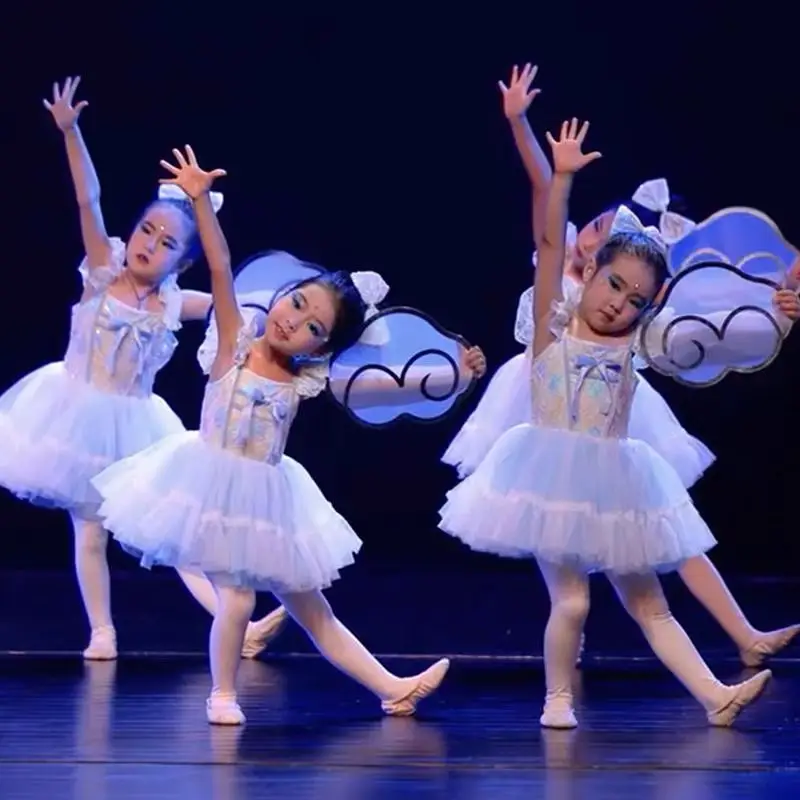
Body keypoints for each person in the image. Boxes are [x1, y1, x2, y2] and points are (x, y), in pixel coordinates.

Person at [93, 145, 486, 724]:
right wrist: (201, 203)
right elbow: (222, 269)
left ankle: (391, 686)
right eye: (296, 304)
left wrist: (452, 374)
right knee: (238, 596)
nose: (292, 321)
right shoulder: (233, 342)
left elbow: (384, 386)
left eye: (312, 326)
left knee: (313, 609)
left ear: (322, 345)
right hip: (210, 483)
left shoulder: (307, 380)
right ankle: (222, 693)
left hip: (269, 501)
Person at [443, 64, 800, 667]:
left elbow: (713, 319)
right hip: (544, 401)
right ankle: (569, 630)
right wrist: (523, 127)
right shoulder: (560, 286)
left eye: (612, 231)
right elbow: (545, 206)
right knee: (553, 517)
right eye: (601, 225)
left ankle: (741, 635)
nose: (596, 234)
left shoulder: (630, 309)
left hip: (611, 412)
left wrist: (780, 309)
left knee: (657, 525)